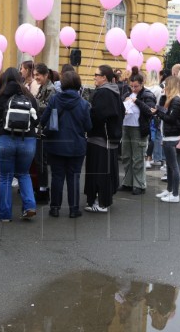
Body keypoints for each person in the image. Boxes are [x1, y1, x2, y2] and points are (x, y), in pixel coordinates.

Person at [0, 67, 39, 221]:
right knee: (24, 174)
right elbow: (36, 119)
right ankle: (30, 206)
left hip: (4, 139)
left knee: (5, 176)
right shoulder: (29, 96)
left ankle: (5, 215)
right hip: (27, 140)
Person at [39, 70, 91, 217]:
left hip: (56, 144)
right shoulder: (84, 103)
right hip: (76, 145)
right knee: (74, 177)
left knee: (57, 177)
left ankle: (54, 208)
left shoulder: (55, 99)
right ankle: (74, 210)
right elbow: (88, 126)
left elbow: (44, 120)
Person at [84, 65, 124, 213]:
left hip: (100, 138)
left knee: (98, 172)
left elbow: (98, 115)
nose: (94, 77)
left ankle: (100, 203)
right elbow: (121, 112)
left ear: (104, 78)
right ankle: (104, 201)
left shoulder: (103, 93)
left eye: (96, 74)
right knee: (107, 172)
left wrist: (88, 114)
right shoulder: (115, 92)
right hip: (111, 139)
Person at [119, 67, 156, 195]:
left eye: (136, 86)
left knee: (138, 158)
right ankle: (128, 182)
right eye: (132, 86)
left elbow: (150, 111)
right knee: (126, 156)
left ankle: (139, 184)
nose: (133, 89)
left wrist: (137, 101)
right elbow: (119, 105)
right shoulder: (127, 93)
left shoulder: (148, 94)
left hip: (139, 129)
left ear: (142, 84)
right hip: (126, 126)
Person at [151, 75, 180, 203]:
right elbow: (164, 111)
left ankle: (175, 194)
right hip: (169, 135)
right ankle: (170, 190)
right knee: (170, 166)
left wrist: (158, 111)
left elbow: (170, 118)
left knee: (173, 166)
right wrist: (160, 105)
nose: (164, 86)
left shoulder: (176, 100)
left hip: (171, 136)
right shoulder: (170, 99)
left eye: (166, 84)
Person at [33, 63, 57, 201]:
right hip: (40, 127)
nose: (36, 77)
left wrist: (33, 103)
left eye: (38, 75)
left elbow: (48, 107)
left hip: (45, 129)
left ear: (46, 75)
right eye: (35, 75)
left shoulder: (51, 89)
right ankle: (40, 187)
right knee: (39, 160)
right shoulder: (43, 87)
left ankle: (43, 190)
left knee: (42, 161)